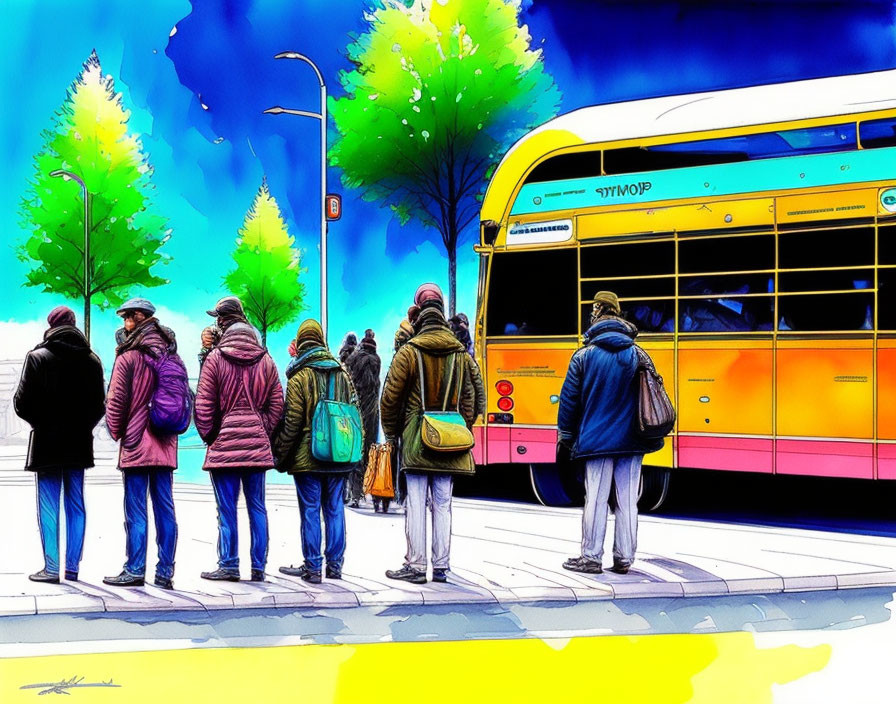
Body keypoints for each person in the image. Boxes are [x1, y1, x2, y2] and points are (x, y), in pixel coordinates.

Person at [557, 291, 663, 575]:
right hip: (632, 440)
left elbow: (569, 402)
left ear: (597, 314)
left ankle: (591, 557)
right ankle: (624, 558)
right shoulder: (638, 354)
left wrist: (566, 436)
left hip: (596, 441)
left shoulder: (583, 356)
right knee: (628, 500)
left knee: (596, 498)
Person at [382, 283, 478, 584]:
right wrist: (462, 426)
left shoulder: (409, 352)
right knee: (443, 502)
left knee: (415, 501)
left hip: (414, 436)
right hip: (449, 436)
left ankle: (415, 564)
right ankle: (441, 566)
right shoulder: (461, 353)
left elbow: (390, 399)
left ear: (420, 314)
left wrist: (393, 433)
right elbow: (474, 396)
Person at [13, 306, 105, 583]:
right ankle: (72, 567)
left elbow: (21, 403)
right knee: (76, 503)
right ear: (74, 325)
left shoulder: (37, 357)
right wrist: (81, 426)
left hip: (46, 442)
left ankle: (51, 568)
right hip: (78, 442)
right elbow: (99, 406)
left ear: (51, 325)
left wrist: (42, 424)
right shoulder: (92, 360)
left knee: (49, 504)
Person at [194, 297, 283, 582]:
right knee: (257, 506)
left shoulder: (215, 359)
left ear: (222, 321)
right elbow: (277, 403)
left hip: (225, 446)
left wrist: (212, 435)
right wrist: (261, 428)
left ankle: (229, 564)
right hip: (256, 445)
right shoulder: (266, 359)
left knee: (227, 508)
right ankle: (258, 566)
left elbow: (203, 406)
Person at [103, 298, 182, 589]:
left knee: (136, 509)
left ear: (138, 318)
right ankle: (165, 571)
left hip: (137, 443)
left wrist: (117, 433)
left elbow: (116, 403)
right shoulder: (172, 354)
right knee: (165, 507)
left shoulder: (129, 357)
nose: (124, 323)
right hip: (165, 442)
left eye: (126, 318)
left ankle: (135, 569)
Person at [273, 319, 360, 584]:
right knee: (334, 508)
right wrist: (354, 452)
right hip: (340, 456)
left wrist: (279, 455)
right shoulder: (343, 374)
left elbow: (291, 423)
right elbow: (356, 416)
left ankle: (312, 567)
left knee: (310, 509)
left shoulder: (299, 377)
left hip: (308, 458)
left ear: (301, 343)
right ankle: (335, 566)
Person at [345, 329, 382, 510]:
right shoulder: (377, 361)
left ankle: (355, 494)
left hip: (355, 409)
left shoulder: (354, 359)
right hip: (372, 412)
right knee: (369, 450)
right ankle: (370, 491)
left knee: (354, 452)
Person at [449, 313, 485, 421]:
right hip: (465, 407)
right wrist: (481, 410)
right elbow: (478, 383)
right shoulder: (467, 355)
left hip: (458, 407)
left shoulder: (465, 353)